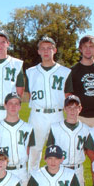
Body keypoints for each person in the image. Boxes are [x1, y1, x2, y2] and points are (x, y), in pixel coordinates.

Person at [25, 36, 70, 172]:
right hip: (37, 115)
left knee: (59, 150)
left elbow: (68, 96)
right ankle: (31, 182)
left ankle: (58, 180)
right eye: (42, 48)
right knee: (34, 150)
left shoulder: (65, 72)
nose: (46, 51)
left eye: (49, 48)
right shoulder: (30, 72)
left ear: (54, 50)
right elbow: (27, 94)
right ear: (38, 51)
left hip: (57, 114)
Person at [0, 92, 35, 186]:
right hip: (2, 171)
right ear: (5, 105)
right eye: (10, 103)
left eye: (16, 103)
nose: (13, 106)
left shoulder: (28, 128)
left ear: (20, 106)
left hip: (21, 171)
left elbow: (28, 151)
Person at [47, 95, 90, 186]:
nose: (72, 111)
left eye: (75, 107)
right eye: (69, 108)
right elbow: (50, 151)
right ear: (64, 109)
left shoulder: (86, 129)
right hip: (60, 168)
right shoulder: (55, 128)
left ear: (80, 109)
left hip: (78, 169)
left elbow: (87, 150)